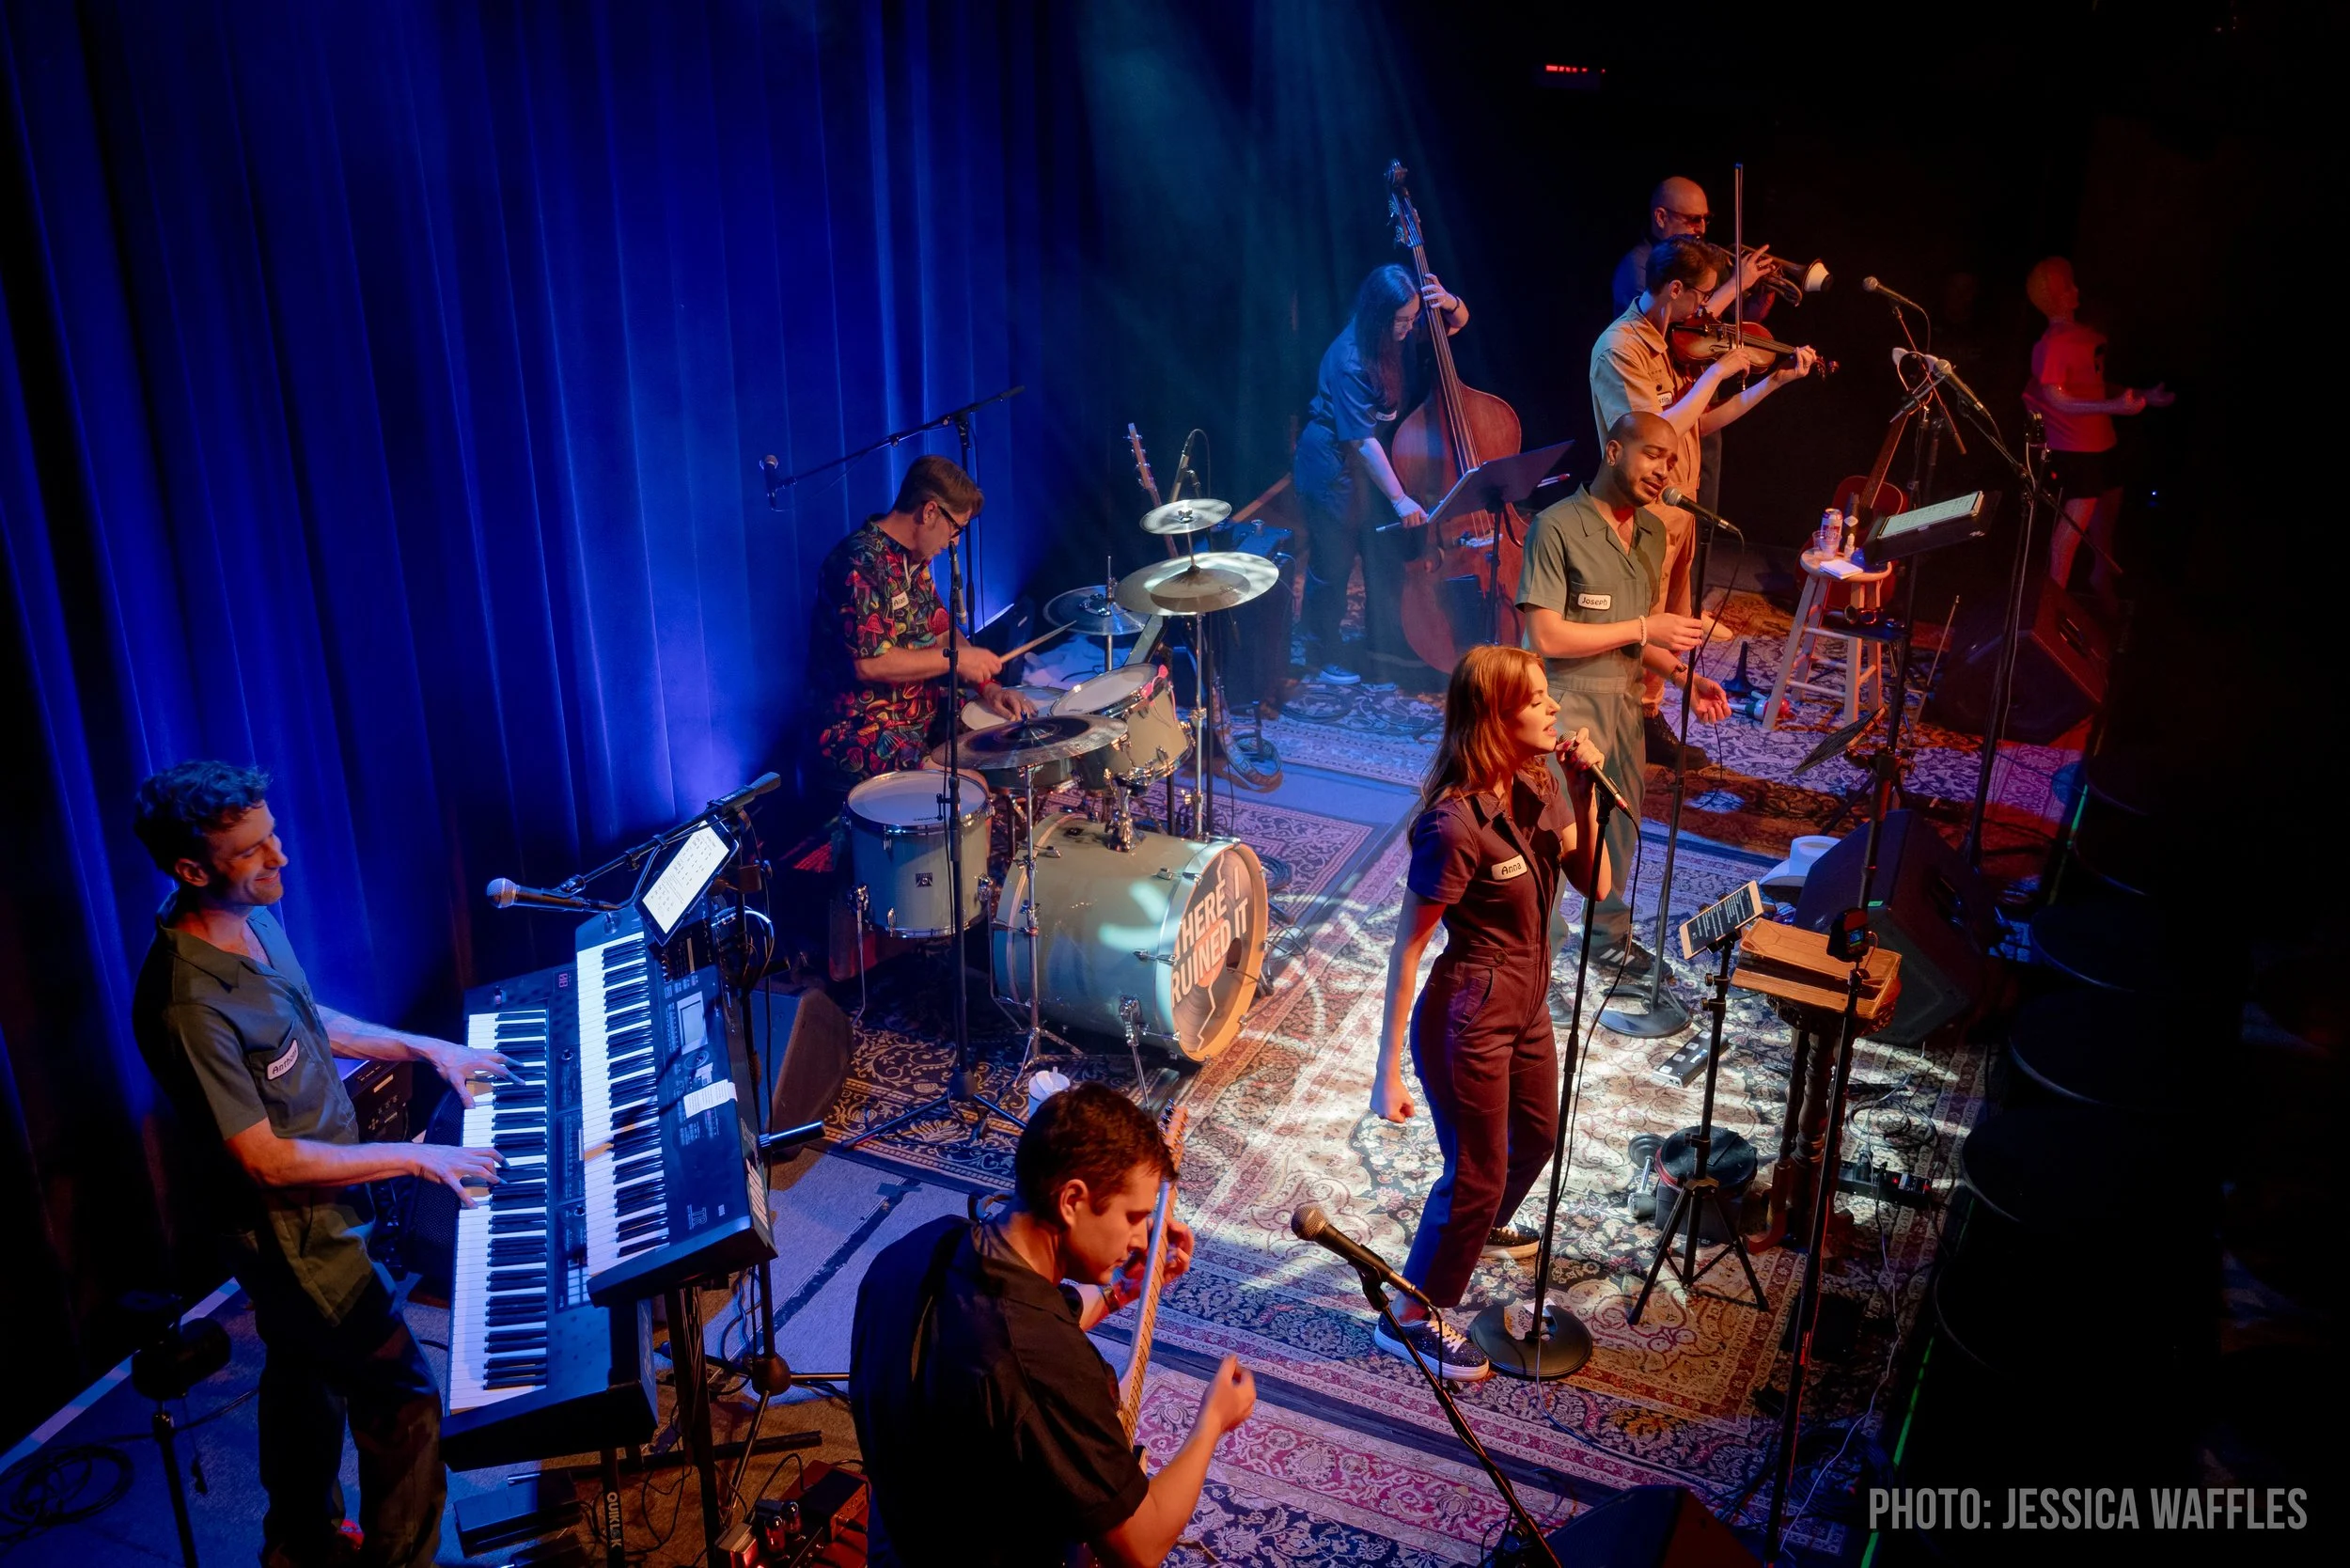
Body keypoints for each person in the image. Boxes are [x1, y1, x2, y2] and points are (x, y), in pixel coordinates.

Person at [129, 761, 512, 1568]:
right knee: (402, 1400)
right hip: (294, 1237)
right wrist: (418, 1161)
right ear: (191, 870)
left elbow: (310, 1018)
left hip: (334, 1201)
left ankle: (298, 1543)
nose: (280, 858)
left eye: (272, 836)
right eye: (251, 851)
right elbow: (265, 1163)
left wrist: (428, 1047)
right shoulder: (186, 1006)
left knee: (303, 1369)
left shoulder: (252, 918)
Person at [850, 1082, 1257, 1566]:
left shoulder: (918, 1250)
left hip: (899, 1540)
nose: (1139, 1239)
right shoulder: (1043, 1363)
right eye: (1133, 1217)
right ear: (1071, 1200)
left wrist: (1120, 1290)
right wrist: (1212, 1420)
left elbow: (1029, 1321)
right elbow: (1141, 1546)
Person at [1366, 646, 1610, 1381]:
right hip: (1468, 1012)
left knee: (1536, 1137)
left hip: (1528, 1000)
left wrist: (1586, 792)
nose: (1553, 707)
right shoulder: (1452, 825)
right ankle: (1409, 1318)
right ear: (1496, 718)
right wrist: (1386, 1073)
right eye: (1535, 699)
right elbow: (1408, 948)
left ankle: (1473, 1229)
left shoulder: (1539, 780)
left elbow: (1595, 883)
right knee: (1475, 1172)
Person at [1517, 412, 1731, 976]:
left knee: (1618, 826)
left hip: (1626, 705)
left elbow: (1634, 635)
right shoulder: (1556, 527)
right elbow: (1546, 635)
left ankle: (1608, 939)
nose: (1664, 471)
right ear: (1614, 451)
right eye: (1652, 455)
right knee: (1555, 834)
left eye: (1671, 461)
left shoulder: (1652, 533)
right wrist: (1644, 628)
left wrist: (1683, 678)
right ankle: (1538, 957)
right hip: (1566, 703)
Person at [1590, 237, 1814, 771]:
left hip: (1677, 507)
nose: (1709, 310)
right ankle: (1621, 728)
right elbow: (1656, 431)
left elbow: (1700, 423)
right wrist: (1716, 372)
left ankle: (1647, 719)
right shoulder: (1620, 348)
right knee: (1640, 626)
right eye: (1704, 296)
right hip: (1640, 512)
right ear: (1675, 289)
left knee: (1672, 622)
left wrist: (1772, 383)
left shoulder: (1671, 342)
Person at [807, 454, 1035, 806]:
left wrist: (988, 687)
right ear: (929, 512)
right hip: (860, 729)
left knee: (1007, 735)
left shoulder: (914, 562)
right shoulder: (859, 563)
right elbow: (871, 663)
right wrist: (956, 661)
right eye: (956, 528)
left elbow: (942, 628)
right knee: (969, 789)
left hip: (917, 712)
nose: (955, 541)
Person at [1293, 262, 1468, 688]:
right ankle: (1320, 651)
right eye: (1403, 320)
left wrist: (1450, 302)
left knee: (1380, 556)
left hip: (1367, 464)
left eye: (1414, 318)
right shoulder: (1350, 359)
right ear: (1379, 316)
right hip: (1332, 467)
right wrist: (1399, 498)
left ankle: (1380, 643)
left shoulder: (1397, 333)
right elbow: (1361, 442)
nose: (1411, 327)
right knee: (1333, 563)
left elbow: (1457, 324)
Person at [1609, 176, 1782, 527]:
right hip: (1663, 432)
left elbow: (1711, 326)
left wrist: (1757, 300)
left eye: (1706, 219)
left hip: (1694, 406)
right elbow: (1681, 329)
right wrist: (1735, 286)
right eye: (1693, 219)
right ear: (1661, 217)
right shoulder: (1638, 268)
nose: (1702, 228)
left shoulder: (1695, 271)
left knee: (1700, 527)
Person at [2022, 256, 2172, 606]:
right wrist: (2114, 407)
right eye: (2067, 287)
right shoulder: (2052, 344)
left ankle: (2099, 579)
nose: (2075, 291)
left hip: (2102, 443)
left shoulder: (2083, 337)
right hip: (2075, 449)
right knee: (2071, 531)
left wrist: (2142, 395)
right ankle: (2051, 605)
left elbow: (2092, 385)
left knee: (2104, 518)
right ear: (2053, 297)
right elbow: (2055, 397)